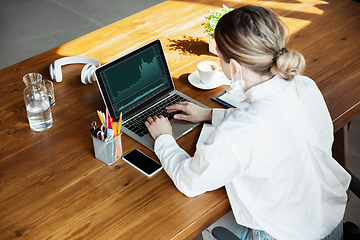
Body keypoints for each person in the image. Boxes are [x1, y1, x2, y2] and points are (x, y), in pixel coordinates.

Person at [144, 5, 351, 240]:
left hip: (285, 234)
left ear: (233, 67)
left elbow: (190, 181)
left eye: (219, 57)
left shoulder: (238, 132)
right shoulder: (304, 86)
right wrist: (209, 114)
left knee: (196, 221)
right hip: (331, 222)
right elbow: (272, 124)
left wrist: (163, 139)